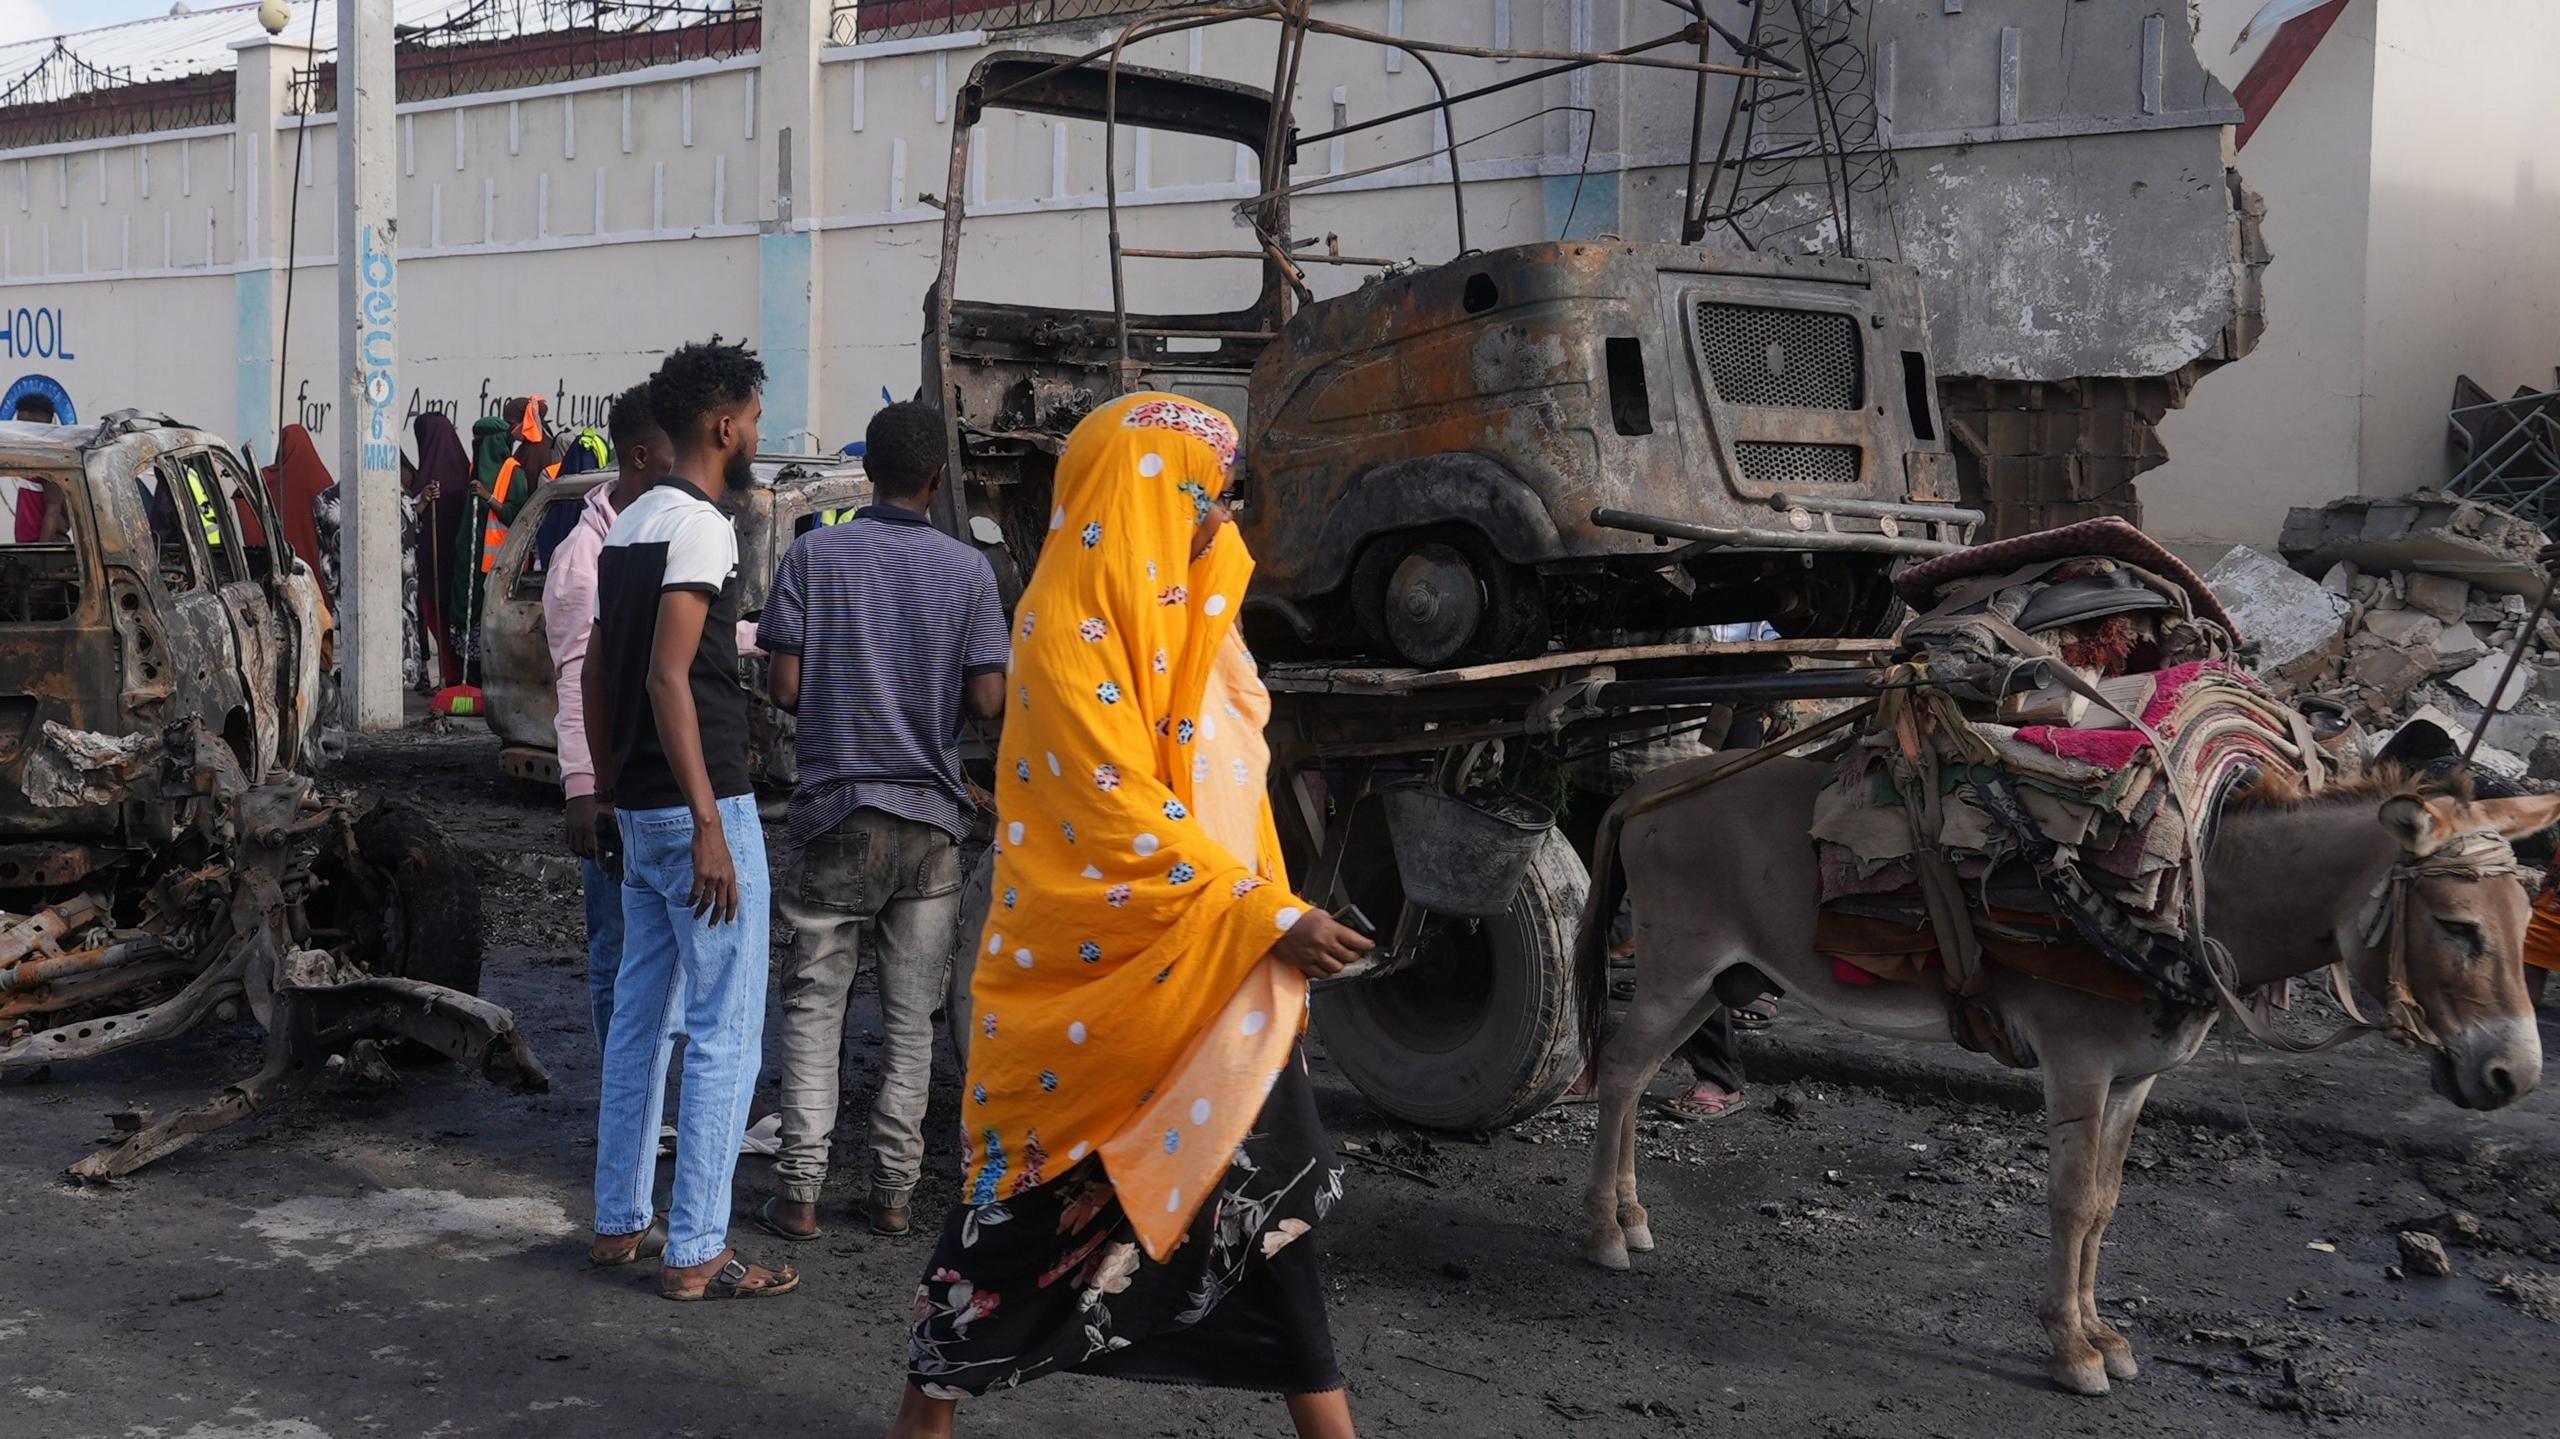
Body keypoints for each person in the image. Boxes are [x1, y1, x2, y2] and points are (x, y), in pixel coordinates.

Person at [891, 392, 1372, 1439]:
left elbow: (1233, 789)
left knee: (1264, 1219)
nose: (1219, 516)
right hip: (1096, 992)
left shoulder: (1195, 619)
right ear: (1143, 489)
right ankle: (920, 1422)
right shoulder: (1069, 626)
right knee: (1013, 1232)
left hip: (1218, 977)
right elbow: (1111, 807)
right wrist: (1263, 913)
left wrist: (1267, 913)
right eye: (1206, 492)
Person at [752, 400, 1008, 1244]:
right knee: (910, 1023)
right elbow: (986, 699)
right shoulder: (969, 572)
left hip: (835, 814)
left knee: (816, 1009)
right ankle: (894, 1196)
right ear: (936, 479)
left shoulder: (816, 554)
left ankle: (799, 1196)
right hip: (930, 823)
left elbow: (784, 687)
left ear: (870, 473)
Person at [579, 338, 796, 1301]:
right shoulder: (705, 526)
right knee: (724, 1030)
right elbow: (671, 674)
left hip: (643, 811)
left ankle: (621, 1221)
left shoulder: (626, 523)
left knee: (639, 1020)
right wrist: (710, 821)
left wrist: (615, 787)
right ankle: (699, 1248)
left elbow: (593, 673)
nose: (756, 433)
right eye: (751, 418)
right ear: (722, 425)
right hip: (705, 809)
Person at [545, 385, 673, 1045]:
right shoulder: (582, 564)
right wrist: (583, 792)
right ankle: (631, 1107)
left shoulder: (664, 530)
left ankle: (659, 1106)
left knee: (665, 957)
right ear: (646, 456)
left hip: (663, 785)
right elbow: (575, 681)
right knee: (618, 952)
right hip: (613, 793)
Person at [413, 412, 473, 691]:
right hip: (460, 563)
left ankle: (451, 677)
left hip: (434, 563)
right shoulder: (464, 466)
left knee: (439, 616)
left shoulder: (426, 475)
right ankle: (457, 676)